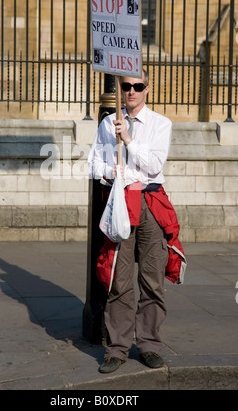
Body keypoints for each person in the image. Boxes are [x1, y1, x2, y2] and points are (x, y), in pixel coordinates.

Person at [88, 69, 173, 373]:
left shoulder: (161, 124)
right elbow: (94, 164)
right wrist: (114, 172)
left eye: (138, 86)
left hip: (149, 203)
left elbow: (153, 165)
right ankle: (117, 348)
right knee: (118, 281)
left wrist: (128, 140)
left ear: (147, 89)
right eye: (127, 86)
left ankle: (149, 345)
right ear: (121, 89)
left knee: (152, 280)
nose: (132, 91)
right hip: (119, 203)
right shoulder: (106, 123)